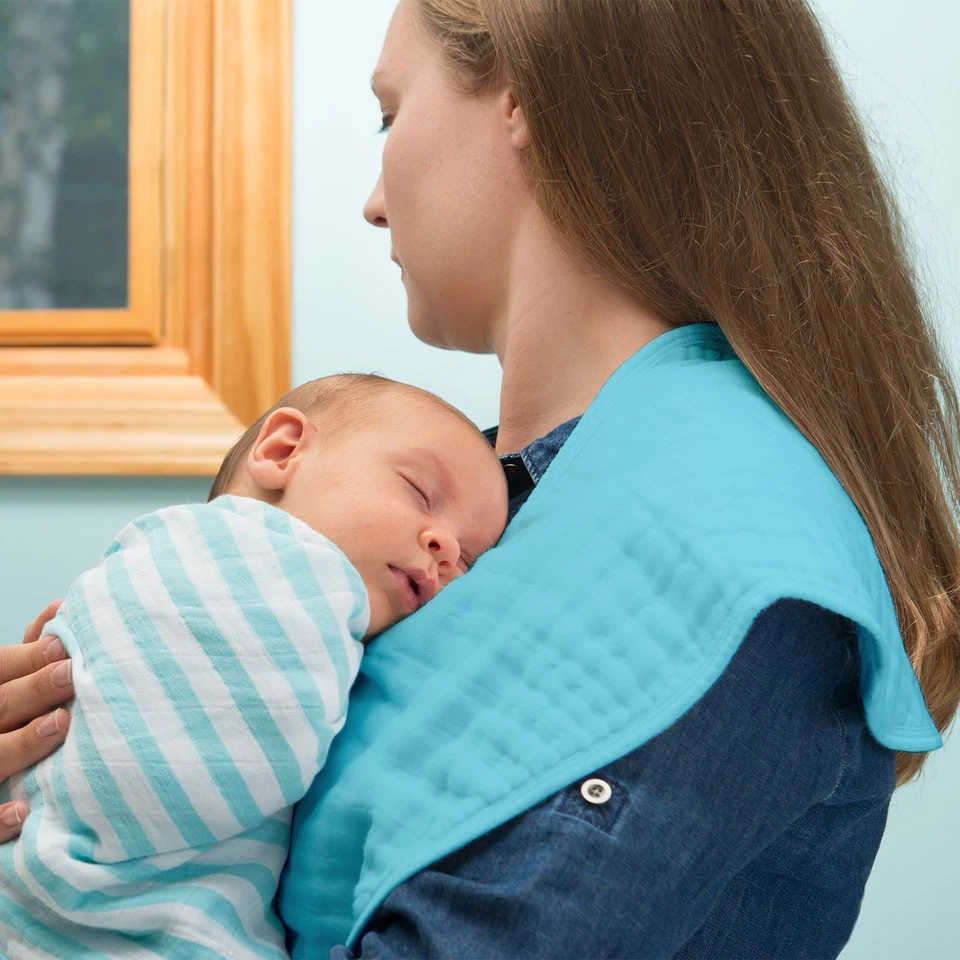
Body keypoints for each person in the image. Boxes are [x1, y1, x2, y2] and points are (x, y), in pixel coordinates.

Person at [5, 1, 960, 957]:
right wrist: (63, 810)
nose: (373, 201)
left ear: (522, 97)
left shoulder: (731, 546)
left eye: (391, 114)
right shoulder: (511, 515)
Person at [0, 375, 508, 958]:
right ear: (283, 451)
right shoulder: (277, 563)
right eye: (420, 493)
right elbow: (143, 777)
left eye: (470, 559)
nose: (445, 547)